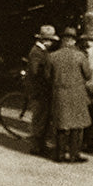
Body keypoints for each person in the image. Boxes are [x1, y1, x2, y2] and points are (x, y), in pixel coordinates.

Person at [49, 27, 93, 163]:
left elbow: (47, 75)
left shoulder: (53, 56)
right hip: (77, 94)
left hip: (60, 94)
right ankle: (74, 155)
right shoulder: (80, 56)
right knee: (77, 126)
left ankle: (60, 155)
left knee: (61, 125)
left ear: (63, 40)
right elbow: (88, 74)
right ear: (74, 41)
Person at [26, 24, 58, 156]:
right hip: (39, 91)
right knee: (39, 119)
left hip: (41, 91)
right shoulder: (36, 53)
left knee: (43, 118)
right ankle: (36, 147)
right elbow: (35, 73)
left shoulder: (42, 51)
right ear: (43, 40)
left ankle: (41, 145)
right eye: (49, 40)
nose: (51, 43)